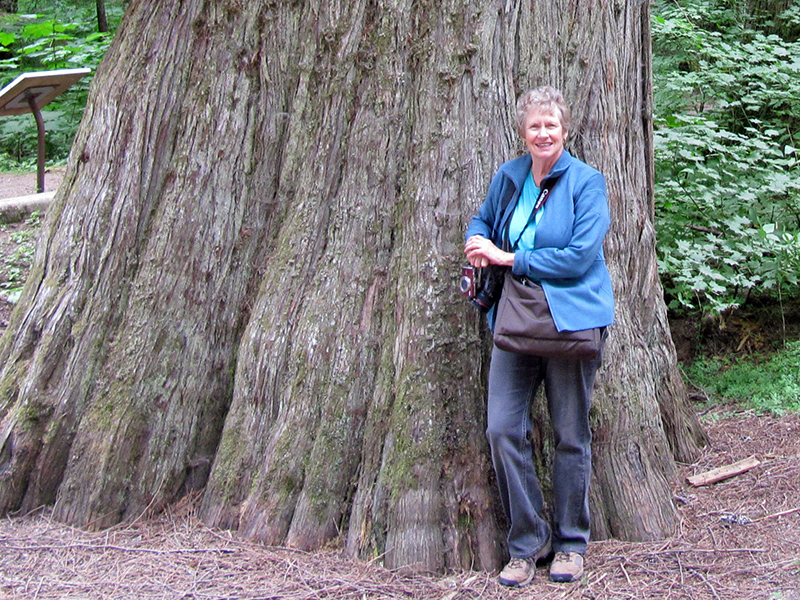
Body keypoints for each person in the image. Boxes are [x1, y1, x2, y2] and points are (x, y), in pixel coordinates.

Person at [464, 86, 614, 587]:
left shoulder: (587, 183)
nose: (543, 133)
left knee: (571, 435)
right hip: (515, 319)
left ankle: (571, 544)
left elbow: (578, 256)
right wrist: (474, 237)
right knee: (503, 428)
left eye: (551, 125)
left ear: (564, 130)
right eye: (535, 126)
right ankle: (527, 544)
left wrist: (510, 258)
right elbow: (485, 218)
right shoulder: (509, 177)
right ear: (523, 132)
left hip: (570, 322)